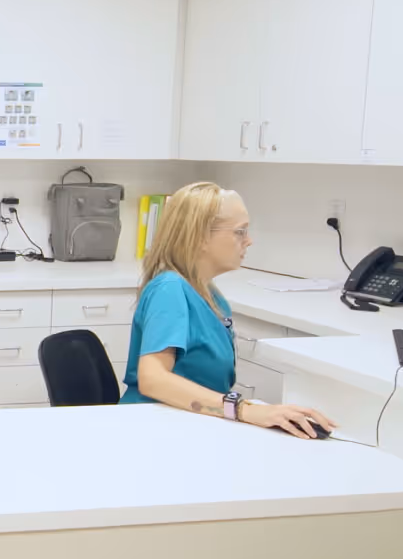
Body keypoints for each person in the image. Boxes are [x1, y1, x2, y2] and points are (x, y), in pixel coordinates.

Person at [119, 182, 337, 440]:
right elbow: (153, 380)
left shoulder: (210, 294)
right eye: (239, 231)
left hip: (188, 423)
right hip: (152, 430)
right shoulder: (170, 289)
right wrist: (242, 409)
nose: (249, 240)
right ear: (199, 236)